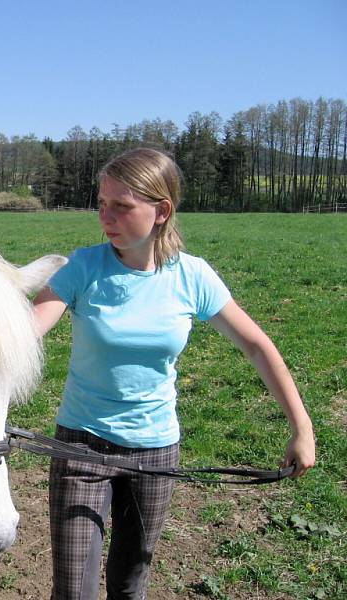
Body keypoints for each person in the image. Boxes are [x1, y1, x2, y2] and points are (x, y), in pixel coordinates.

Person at [32, 147, 315, 600]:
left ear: (162, 210)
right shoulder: (82, 267)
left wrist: (302, 427)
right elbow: (26, 332)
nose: (106, 216)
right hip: (81, 446)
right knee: (73, 590)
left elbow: (259, 347)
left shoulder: (193, 277)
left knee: (130, 584)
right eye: (102, 203)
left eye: (121, 206)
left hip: (156, 452)